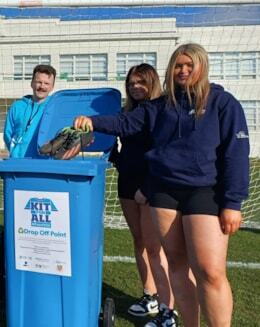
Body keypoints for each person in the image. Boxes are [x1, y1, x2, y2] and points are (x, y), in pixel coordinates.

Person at [70, 43, 249, 327]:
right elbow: (124, 123)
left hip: (205, 193)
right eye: (178, 65)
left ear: (202, 67)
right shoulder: (159, 106)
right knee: (177, 266)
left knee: (210, 271)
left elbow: (235, 153)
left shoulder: (222, 103)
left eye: (190, 65)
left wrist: (233, 202)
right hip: (164, 192)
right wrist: (91, 121)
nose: (183, 70)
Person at [0, 64, 56, 297]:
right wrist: (16, 156)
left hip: (44, 174)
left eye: (46, 82)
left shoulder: (54, 108)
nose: (41, 86)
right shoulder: (18, 106)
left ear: (52, 85)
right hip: (17, 173)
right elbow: (8, 134)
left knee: (41, 227)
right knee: (12, 227)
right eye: (38, 81)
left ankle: (39, 279)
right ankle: (0, 280)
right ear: (32, 82)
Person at [110, 64, 174, 322]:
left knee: (155, 246)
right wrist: (115, 156)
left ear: (152, 83)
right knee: (139, 241)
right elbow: (125, 147)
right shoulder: (127, 112)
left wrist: (147, 187)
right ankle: (149, 295)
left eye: (141, 82)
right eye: (132, 83)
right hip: (126, 183)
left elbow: (163, 154)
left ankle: (167, 305)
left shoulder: (161, 110)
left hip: (150, 186)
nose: (136, 87)